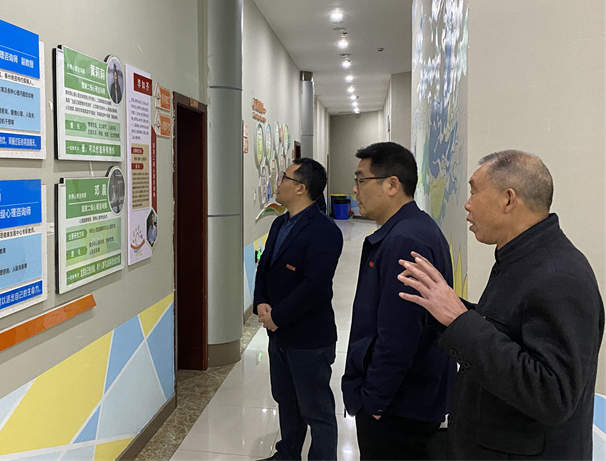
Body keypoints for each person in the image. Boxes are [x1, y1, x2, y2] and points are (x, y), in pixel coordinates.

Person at [398, 150, 604, 459]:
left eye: (474, 192)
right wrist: (444, 309)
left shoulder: (560, 276)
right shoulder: (520, 259)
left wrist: (460, 321)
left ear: (508, 200)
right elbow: (509, 332)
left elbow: (553, 395)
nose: (467, 205)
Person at [341, 142, 455, 460]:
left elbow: (399, 335)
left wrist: (374, 402)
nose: (355, 189)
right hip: (406, 402)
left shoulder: (405, 241)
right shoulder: (411, 230)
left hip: (399, 409)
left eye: (361, 180)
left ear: (392, 184)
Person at [254, 157, 343, 460]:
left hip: (309, 338)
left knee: (316, 410)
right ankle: (287, 454)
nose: (278, 183)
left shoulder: (325, 231)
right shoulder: (280, 223)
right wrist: (261, 301)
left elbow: (315, 286)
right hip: (278, 335)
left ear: (301, 188)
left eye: (284, 178)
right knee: (286, 400)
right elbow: (265, 267)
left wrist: (277, 317)